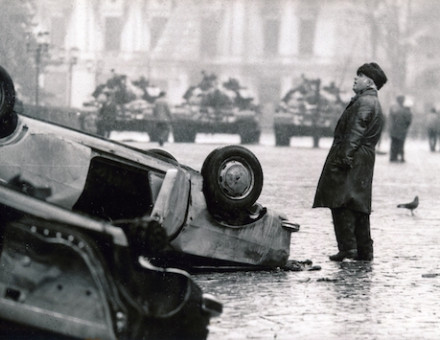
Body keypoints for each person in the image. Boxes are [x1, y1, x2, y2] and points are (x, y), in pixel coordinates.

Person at [313, 62, 387, 262]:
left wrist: (344, 157)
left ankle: (348, 249)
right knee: (359, 204)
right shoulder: (372, 102)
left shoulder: (364, 103)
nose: (355, 78)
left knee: (341, 202)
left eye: (360, 75)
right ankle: (364, 250)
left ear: (369, 82)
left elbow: (357, 129)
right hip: (363, 157)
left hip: (353, 155)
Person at [389, 95, 412, 162]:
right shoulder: (405, 109)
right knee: (401, 144)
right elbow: (408, 120)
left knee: (394, 143)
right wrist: (406, 127)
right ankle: (401, 157)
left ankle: (393, 157)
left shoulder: (393, 108)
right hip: (401, 130)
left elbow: (390, 118)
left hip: (393, 129)